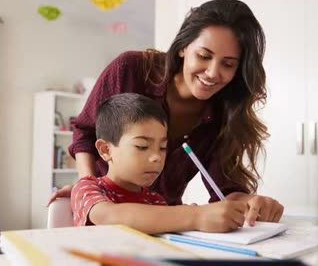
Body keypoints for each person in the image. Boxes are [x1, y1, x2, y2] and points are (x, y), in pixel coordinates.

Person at [49, 0, 284, 226]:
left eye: (228, 64)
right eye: (204, 56)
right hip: (111, 215)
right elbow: (86, 132)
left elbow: (224, 190)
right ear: (183, 47)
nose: (213, 72)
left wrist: (251, 202)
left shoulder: (225, 113)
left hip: (165, 225)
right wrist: (89, 186)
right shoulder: (130, 69)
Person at [71, 92, 247, 233]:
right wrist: (195, 216)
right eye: (142, 146)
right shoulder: (87, 188)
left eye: (163, 147)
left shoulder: (155, 201)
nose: (157, 157)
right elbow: (110, 216)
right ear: (105, 150)